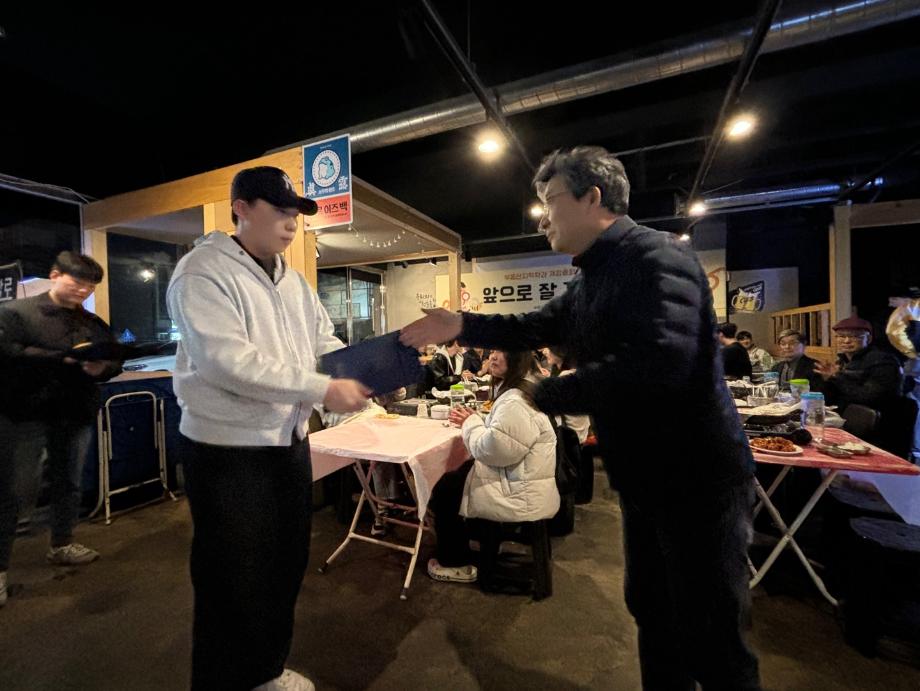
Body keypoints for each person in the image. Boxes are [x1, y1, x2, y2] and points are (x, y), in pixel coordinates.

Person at [401, 146, 760, 689]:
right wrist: (460, 325)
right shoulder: (590, 278)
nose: (542, 218)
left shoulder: (657, 256)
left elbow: (660, 362)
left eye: (550, 201)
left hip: (697, 476)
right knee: (652, 609)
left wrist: (545, 394)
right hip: (644, 477)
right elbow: (529, 327)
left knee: (711, 634)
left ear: (592, 198)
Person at [167, 166, 369, 691]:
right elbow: (227, 362)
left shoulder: (292, 280)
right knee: (231, 579)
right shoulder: (202, 271)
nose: (290, 224)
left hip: (288, 443)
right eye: (278, 211)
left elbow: (322, 342)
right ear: (241, 208)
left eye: (295, 214)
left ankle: (264, 672)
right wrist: (323, 388)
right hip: (226, 451)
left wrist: (367, 368)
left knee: (284, 565)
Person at [0, 252, 123, 608]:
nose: (83, 291)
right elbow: (7, 353)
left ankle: (62, 543)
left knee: (69, 481)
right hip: (24, 413)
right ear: (55, 275)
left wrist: (102, 368)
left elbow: (114, 359)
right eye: (77, 282)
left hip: (74, 412)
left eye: (90, 287)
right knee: (14, 490)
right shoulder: (16, 313)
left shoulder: (92, 322)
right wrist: (62, 359)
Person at [426, 350, 559, 583]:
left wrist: (470, 422)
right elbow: (506, 439)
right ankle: (467, 542)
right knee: (456, 477)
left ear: (518, 358)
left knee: (445, 486)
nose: (493, 357)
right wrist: (479, 420)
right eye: (493, 351)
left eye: (502, 352)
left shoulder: (516, 401)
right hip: (525, 479)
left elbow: (492, 451)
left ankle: (454, 562)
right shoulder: (525, 389)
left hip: (519, 490)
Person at [816, 316, 903, 413]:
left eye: (854, 336)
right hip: (846, 414)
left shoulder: (883, 361)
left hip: (877, 418)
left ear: (868, 339)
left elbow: (870, 398)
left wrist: (837, 377)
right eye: (841, 336)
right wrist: (828, 379)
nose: (846, 341)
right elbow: (830, 398)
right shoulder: (842, 361)